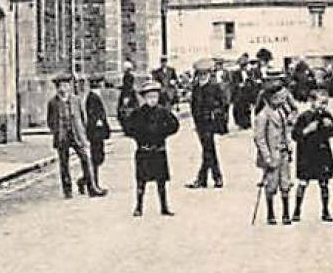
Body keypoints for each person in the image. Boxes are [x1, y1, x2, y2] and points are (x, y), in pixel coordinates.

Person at [121, 78, 179, 216]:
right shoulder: (138, 113)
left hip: (158, 150)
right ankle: (139, 207)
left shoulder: (163, 112)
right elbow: (128, 128)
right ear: (144, 98)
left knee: (161, 182)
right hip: (144, 151)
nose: (152, 100)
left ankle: (164, 207)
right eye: (149, 97)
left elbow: (174, 125)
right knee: (141, 181)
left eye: (155, 96)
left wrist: (163, 133)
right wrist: (139, 137)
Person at [46, 74, 103, 199]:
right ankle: (67, 190)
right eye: (61, 86)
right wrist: (56, 131)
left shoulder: (76, 100)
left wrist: (83, 132)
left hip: (76, 134)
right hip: (62, 136)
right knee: (64, 164)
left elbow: (82, 117)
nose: (64, 89)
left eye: (66, 86)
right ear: (57, 88)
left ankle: (91, 187)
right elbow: (50, 120)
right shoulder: (53, 103)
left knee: (85, 159)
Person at [291, 86, 333, 223]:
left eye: (326, 103)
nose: (324, 106)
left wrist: (330, 126)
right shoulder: (304, 117)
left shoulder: (327, 116)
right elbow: (295, 135)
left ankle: (325, 210)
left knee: (324, 183)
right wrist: (307, 130)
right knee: (303, 183)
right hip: (306, 154)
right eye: (321, 102)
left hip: (322, 153)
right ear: (311, 101)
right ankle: (297, 210)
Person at [253, 77, 294, 225]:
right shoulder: (263, 115)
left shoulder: (282, 112)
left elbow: (286, 130)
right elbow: (259, 139)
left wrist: (289, 147)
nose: (282, 101)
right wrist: (267, 158)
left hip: (283, 152)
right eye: (279, 98)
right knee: (271, 185)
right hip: (272, 155)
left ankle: (286, 213)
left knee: (286, 183)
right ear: (270, 98)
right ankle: (270, 212)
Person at [188, 62, 229, 188]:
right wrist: (195, 120)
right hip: (200, 123)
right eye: (200, 74)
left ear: (208, 74)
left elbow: (224, 103)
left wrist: (217, 113)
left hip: (210, 122)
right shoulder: (196, 87)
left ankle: (211, 178)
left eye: (204, 74)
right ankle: (208, 178)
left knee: (208, 149)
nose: (202, 76)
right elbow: (193, 106)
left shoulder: (214, 86)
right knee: (208, 150)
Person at [84, 75, 112, 192]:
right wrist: (98, 123)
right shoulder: (93, 97)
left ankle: (86, 181)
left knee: (98, 159)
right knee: (96, 159)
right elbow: (93, 115)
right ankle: (93, 185)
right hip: (95, 133)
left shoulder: (95, 96)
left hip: (98, 133)